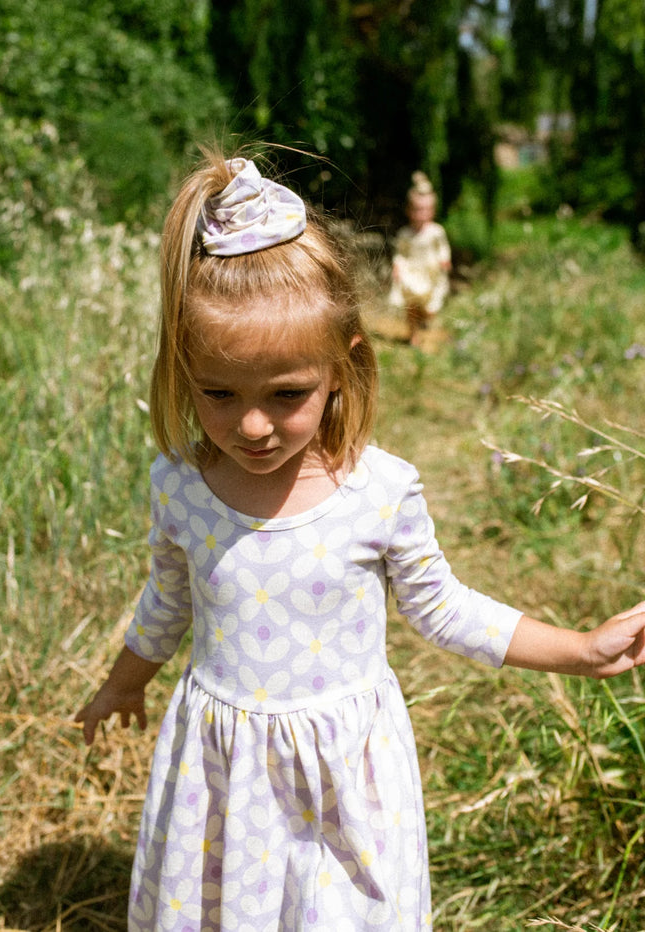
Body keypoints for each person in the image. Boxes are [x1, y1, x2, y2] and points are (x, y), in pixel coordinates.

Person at [75, 151, 645, 932]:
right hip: (226, 769)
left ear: (342, 370)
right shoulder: (181, 487)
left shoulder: (379, 492)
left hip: (346, 772)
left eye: (286, 395)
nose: (251, 424)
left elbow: (444, 607)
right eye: (218, 393)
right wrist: (123, 683)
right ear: (183, 370)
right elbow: (166, 603)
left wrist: (579, 650)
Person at [388, 171, 452, 344]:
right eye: (417, 210)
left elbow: (442, 248)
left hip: (430, 273)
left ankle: (425, 319)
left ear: (432, 211)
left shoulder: (436, 231)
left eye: (425, 210)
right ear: (409, 210)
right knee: (411, 306)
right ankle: (413, 335)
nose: (421, 214)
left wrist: (444, 259)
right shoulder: (405, 233)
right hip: (412, 273)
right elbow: (400, 253)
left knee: (429, 307)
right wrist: (397, 266)